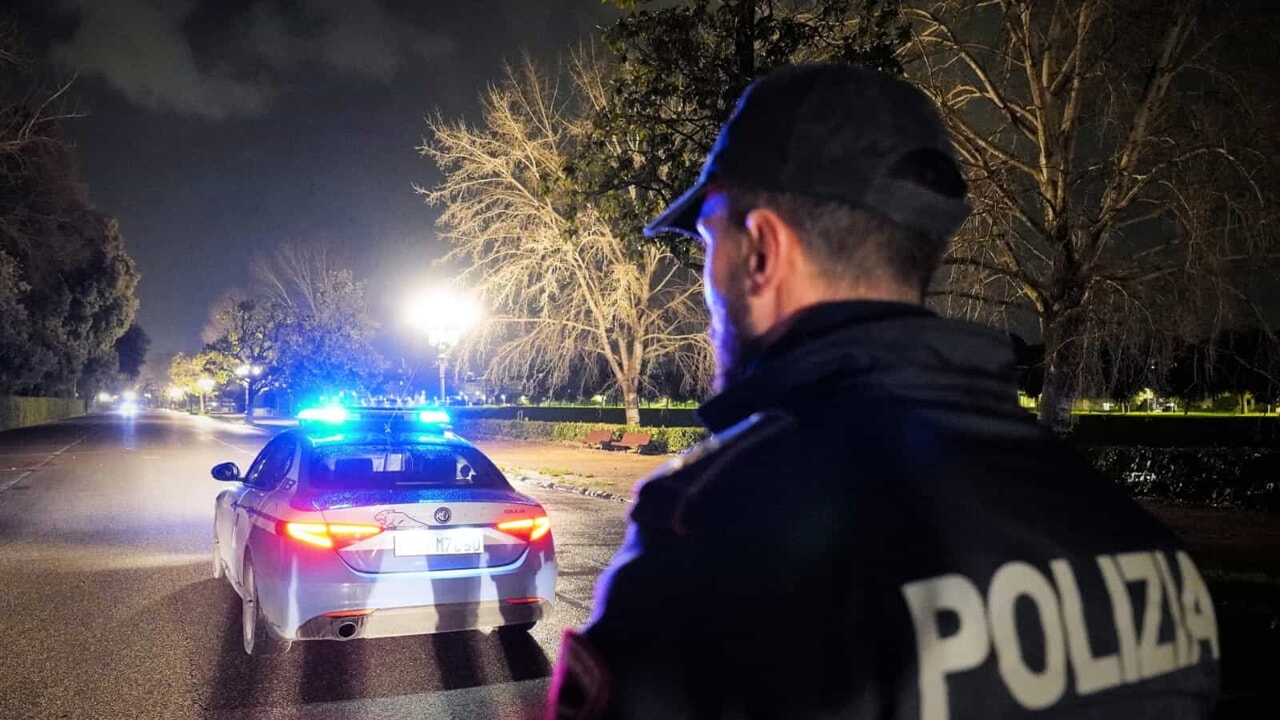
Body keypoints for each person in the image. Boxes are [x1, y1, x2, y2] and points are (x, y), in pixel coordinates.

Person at [545, 64, 1219, 720]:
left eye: (707, 240)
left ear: (760, 250)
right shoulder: (1139, 542)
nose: (706, 284)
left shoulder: (708, 537)